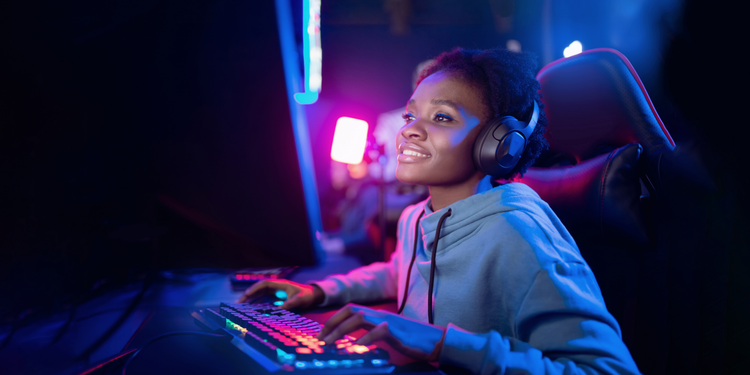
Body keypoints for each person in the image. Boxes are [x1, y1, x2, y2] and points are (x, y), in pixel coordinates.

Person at [239, 47, 641, 374]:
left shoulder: (518, 233)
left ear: (499, 145)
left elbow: (607, 369)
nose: (410, 129)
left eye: (442, 117)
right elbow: (399, 272)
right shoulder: (418, 216)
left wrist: (439, 342)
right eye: (412, 114)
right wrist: (318, 292)